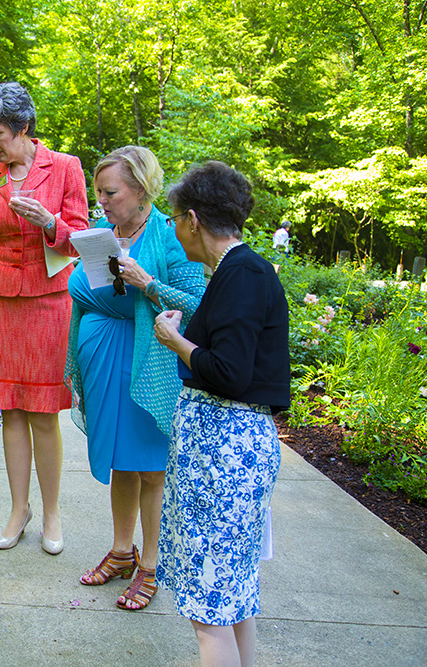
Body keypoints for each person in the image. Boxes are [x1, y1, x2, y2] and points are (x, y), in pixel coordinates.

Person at [153, 161, 289, 667]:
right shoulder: (240, 271)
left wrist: (176, 341)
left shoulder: (242, 274)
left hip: (223, 453)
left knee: (211, 613)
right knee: (231, 601)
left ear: (192, 219)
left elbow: (228, 373)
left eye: (174, 220)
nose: (173, 230)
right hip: (227, 449)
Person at [66, 146, 206, 610]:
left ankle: (150, 564)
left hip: (149, 366)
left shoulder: (168, 236)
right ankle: (122, 552)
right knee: (120, 462)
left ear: (141, 190)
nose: (100, 199)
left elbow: (197, 300)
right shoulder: (100, 235)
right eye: (98, 191)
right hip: (104, 361)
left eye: (109, 191)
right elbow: (85, 290)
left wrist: (147, 283)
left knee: (150, 468)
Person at [0, 81, 88, 556]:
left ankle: (51, 512)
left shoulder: (67, 168)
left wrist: (49, 223)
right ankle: (20, 508)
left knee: (41, 413)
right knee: (9, 411)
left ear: (24, 128)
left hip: (48, 303)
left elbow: (80, 238)